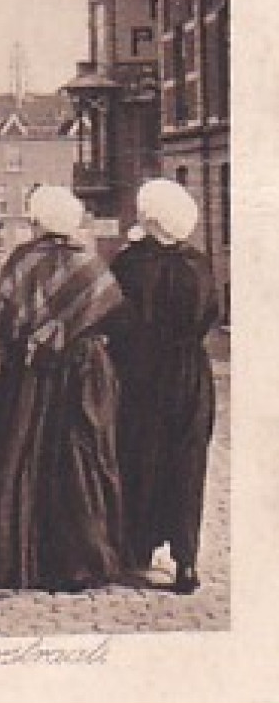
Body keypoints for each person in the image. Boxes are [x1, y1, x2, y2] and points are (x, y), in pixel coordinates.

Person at [0, 185, 128, 592]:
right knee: (79, 460)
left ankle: (16, 559)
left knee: (22, 456)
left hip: (31, 375)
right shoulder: (92, 265)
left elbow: (2, 317)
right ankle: (81, 560)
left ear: (39, 220)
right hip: (81, 375)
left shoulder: (23, 260)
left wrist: (32, 339)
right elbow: (111, 317)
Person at [110, 178, 221, 595]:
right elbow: (211, 313)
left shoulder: (129, 264)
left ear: (149, 215)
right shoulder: (200, 264)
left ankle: (138, 548)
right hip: (190, 372)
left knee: (139, 457)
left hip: (141, 373)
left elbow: (116, 320)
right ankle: (186, 562)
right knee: (188, 465)